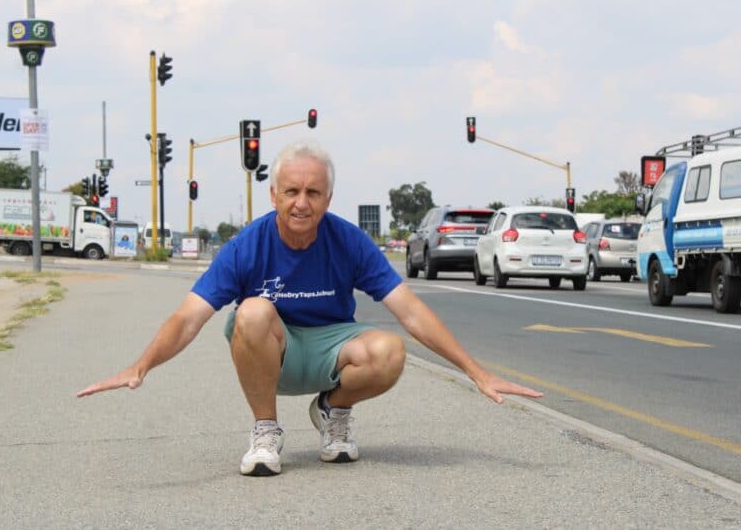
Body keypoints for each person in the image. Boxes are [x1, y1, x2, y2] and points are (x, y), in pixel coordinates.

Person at [77, 140, 543, 476]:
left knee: (390, 350)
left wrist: (475, 372)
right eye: (292, 192)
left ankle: (332, 412)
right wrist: (141, 366)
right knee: (254, 311)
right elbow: (189, 316)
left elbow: (411, 310)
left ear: (328, 198)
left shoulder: (349, 240)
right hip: (269, 350)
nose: (302, 203)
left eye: (313, 193)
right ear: (274, 195)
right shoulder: (247, 246)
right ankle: (265, 433)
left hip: (328, 351)